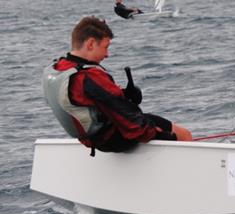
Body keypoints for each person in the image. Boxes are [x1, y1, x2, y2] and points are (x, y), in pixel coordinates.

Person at [42, 16, 192, 155]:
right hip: (114, 140)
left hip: (93, 140)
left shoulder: (59, 68)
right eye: (106, 47)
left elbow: (87, 98)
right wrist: (161, 135)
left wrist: (125, 94)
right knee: (184, 134)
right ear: (91, 44)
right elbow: (128, 118)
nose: (107, 54)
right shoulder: (88, 76)